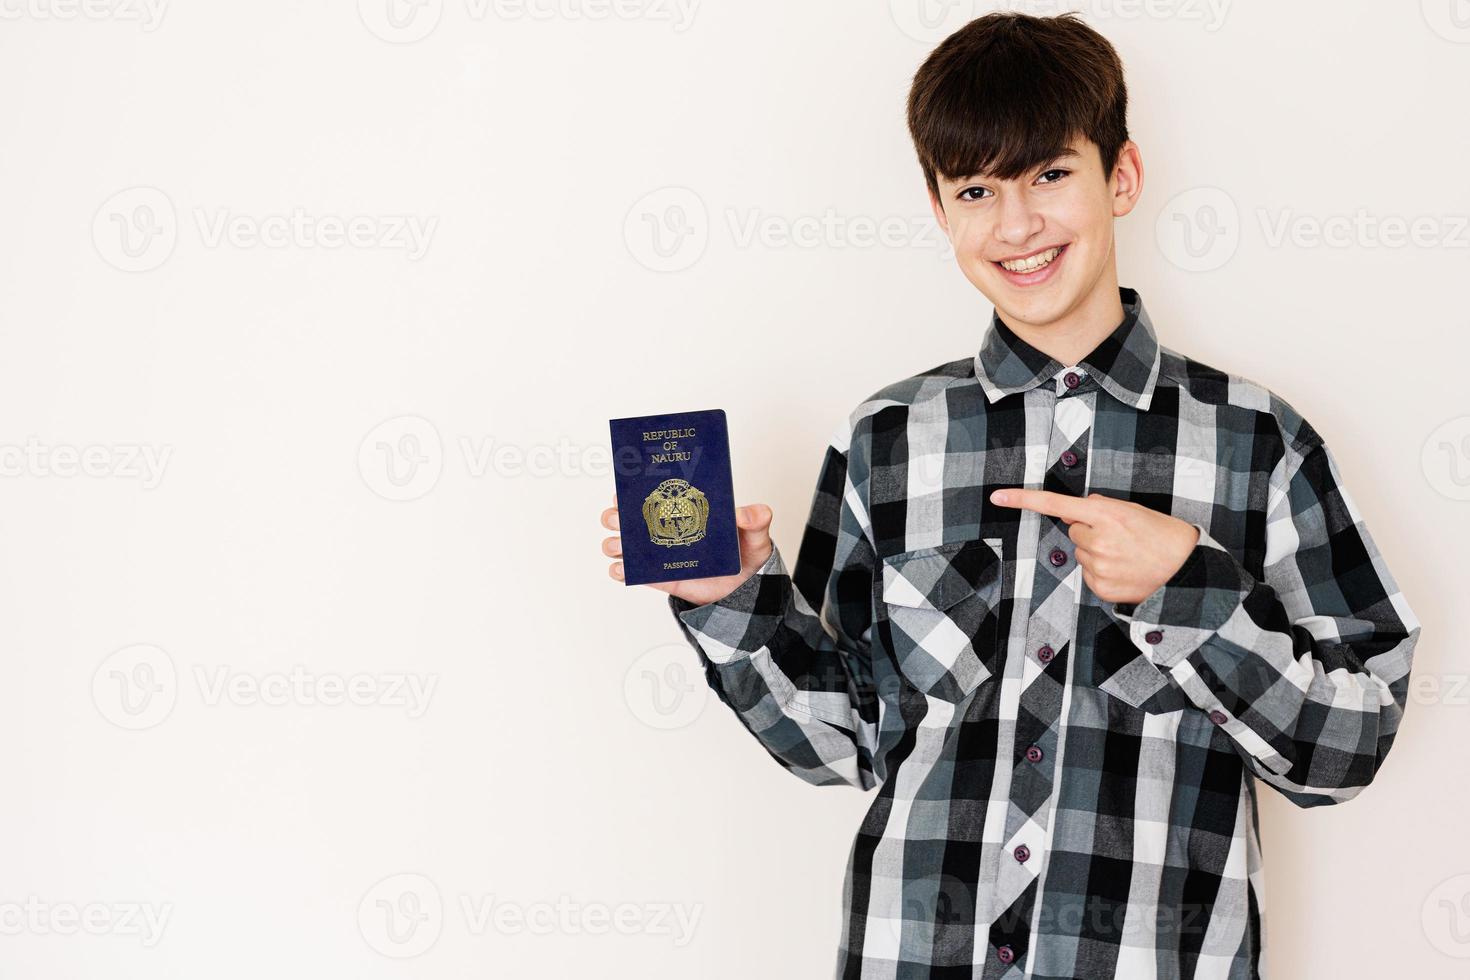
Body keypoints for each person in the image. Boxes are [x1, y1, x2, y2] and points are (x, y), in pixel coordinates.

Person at [599, 11, 1420, 978]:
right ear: (940, 210)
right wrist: (732, 601)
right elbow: (843, 742)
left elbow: (1349, 747)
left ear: (1122, 177)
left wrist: (1187, 590)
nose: (1016, 224)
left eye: (1050, 175)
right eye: (977, 188)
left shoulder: (1258, 442)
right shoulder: (885, 441)